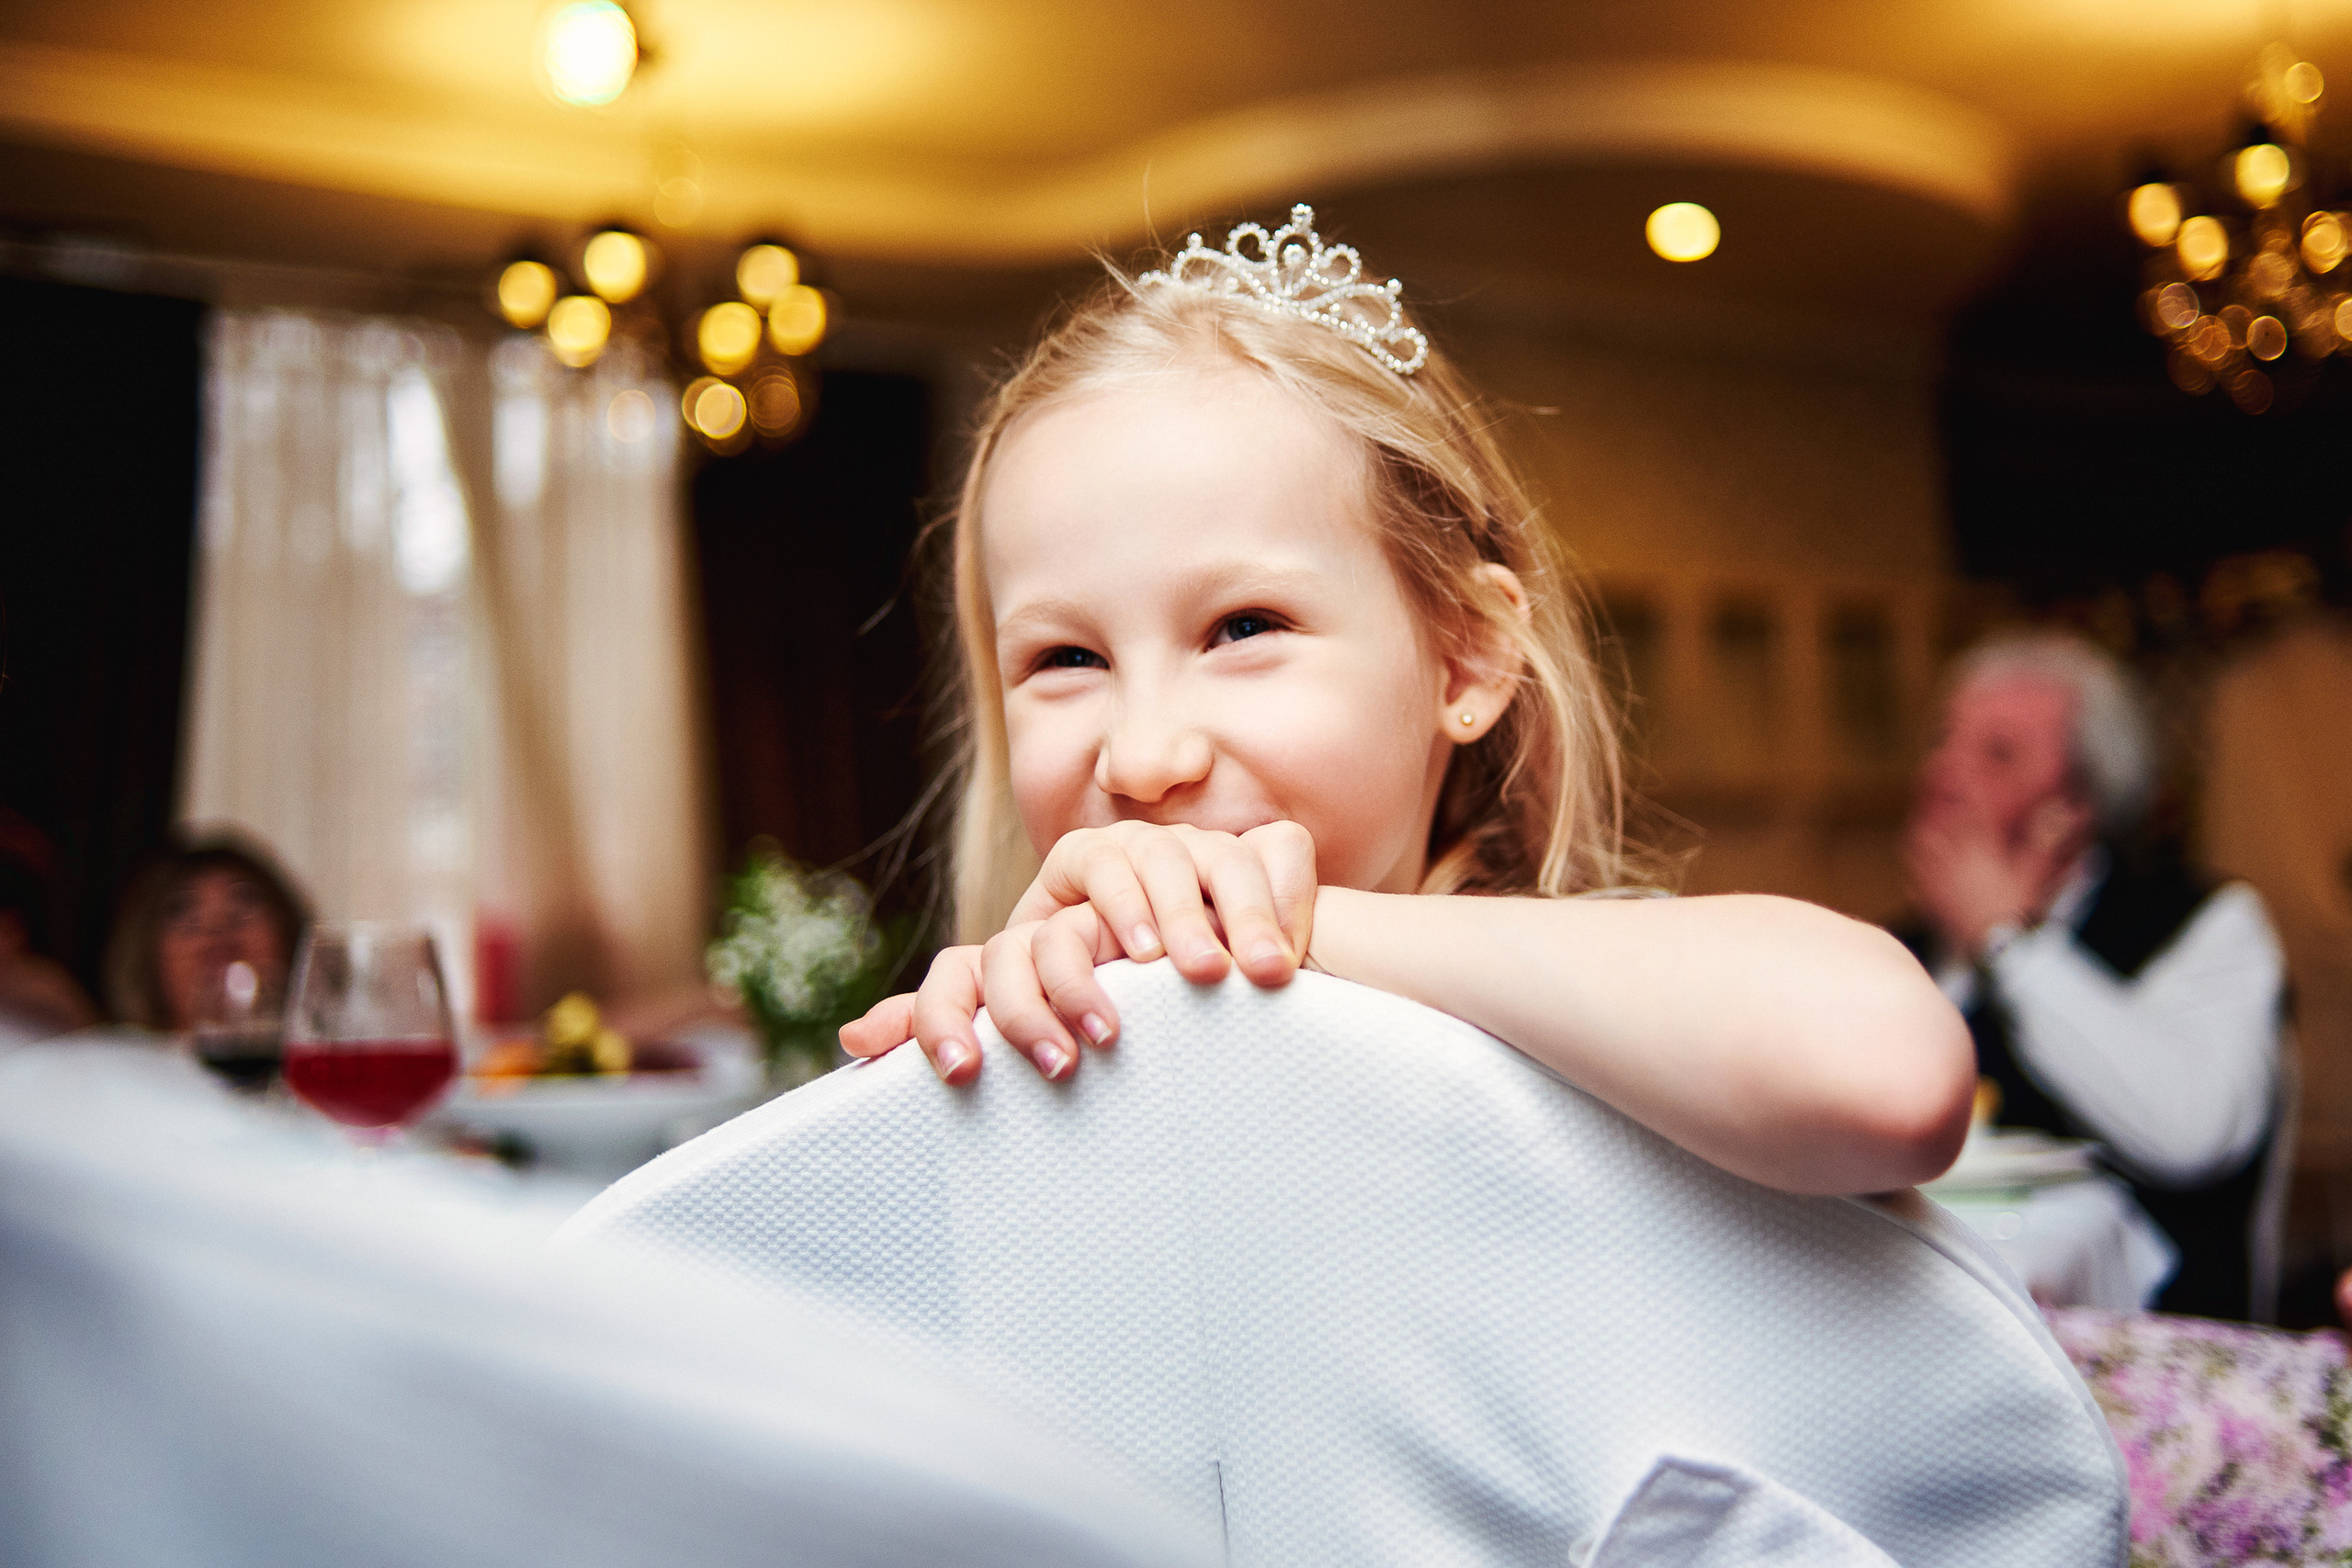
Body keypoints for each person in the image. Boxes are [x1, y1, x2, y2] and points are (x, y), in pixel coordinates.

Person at [841, 205, 1973, 1199]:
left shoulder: (1605, 1025)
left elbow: (1891, 1076)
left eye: (1244, 628)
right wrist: (942, 1111)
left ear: (1465, 660)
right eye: (1064, 658)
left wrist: (1285, 922)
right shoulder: (1043, 1042)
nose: (1141, 756)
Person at [1901, 633, 2287, 1319]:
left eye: (1997, 753)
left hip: (2148, 1347)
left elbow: (2192, 1135)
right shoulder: (1897, 948)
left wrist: (2008, 946)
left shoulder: (2205, 922)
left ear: (2077, 808)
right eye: (1941, 741)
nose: (1943, 773)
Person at [105, 831, 311, 1032]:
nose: (218, 930)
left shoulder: (322, 1052)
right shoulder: (105, 1052)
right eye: (188, 917)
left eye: (243, 908)